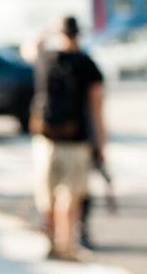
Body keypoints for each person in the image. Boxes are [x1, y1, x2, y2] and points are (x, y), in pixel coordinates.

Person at [29, 16, 106, 261]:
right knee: (70, 196)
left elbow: (30, 46)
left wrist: (48, 29)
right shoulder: (86, 63)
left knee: (46, 194)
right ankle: (67, 244)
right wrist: (101, 143)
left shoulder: (46, 57)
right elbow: (96, 107)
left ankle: (50, 243)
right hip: (77, 139)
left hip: (45, 139)